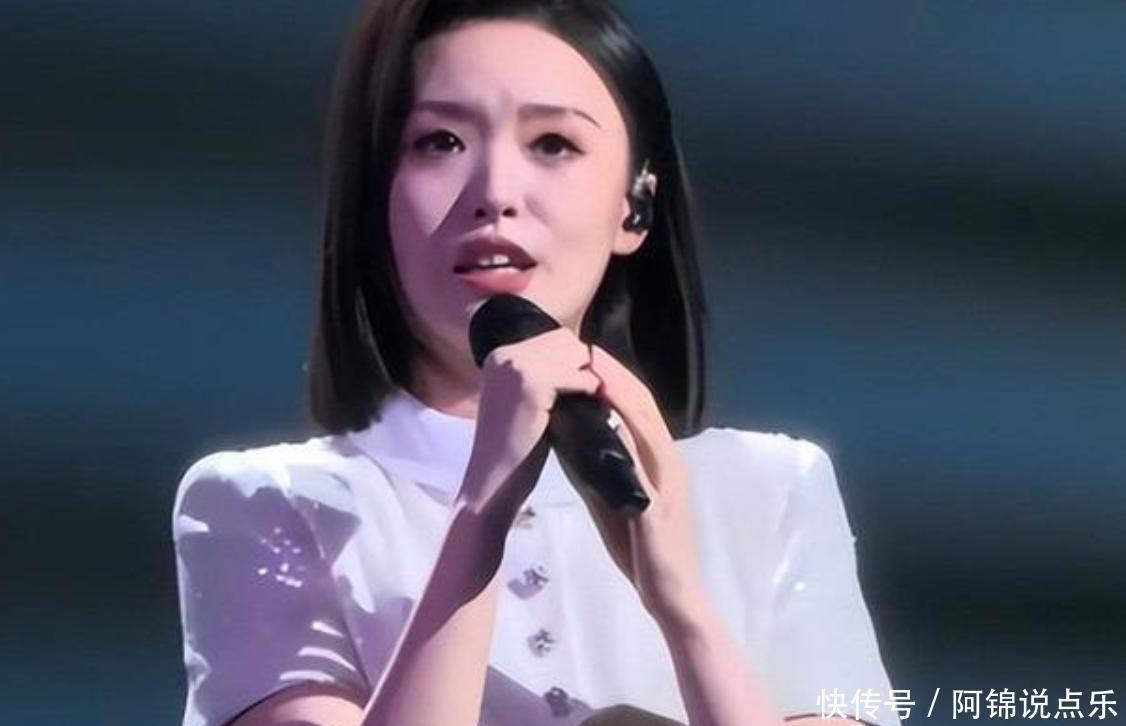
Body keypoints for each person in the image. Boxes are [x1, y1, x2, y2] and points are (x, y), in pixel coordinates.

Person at [171, 1, 900, 724]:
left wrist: (683, 608)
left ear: (635, 207)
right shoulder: (270, 504)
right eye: (440, 143)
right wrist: (479, 515)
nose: (495, 193)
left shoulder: (772, 491)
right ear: (376, 195)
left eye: (553, 144)